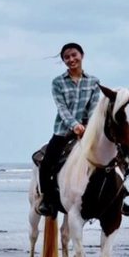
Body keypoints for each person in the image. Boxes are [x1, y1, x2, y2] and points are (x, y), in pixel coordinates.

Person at [36, 42, 100, 217]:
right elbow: (61, 108)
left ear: (82, 55)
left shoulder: (94, 82)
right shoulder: (58, 82)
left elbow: (94, 107)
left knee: (111, 158)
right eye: (66, 57)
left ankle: (119, 197)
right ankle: (47, 200)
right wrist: (75, 125)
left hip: (88, 131)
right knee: (47, 164)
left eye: (74, 55)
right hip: (63, 131)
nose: (71, 59)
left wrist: (87, 127)